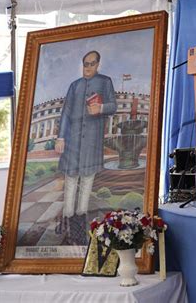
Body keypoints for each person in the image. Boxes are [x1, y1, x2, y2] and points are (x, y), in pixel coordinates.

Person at [55, 50, 117, 245]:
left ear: (98, 64)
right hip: (72, 141)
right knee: (71, 180)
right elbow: (65, 113)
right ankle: (66, 220)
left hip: (92, 141)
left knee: (87, 181)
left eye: (91, 64)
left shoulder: (105, 82)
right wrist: (61, 137)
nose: (87, 67)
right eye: (85, 64)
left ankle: (80, 221)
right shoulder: (75, 86)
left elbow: (114, 106)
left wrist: (102, 108)